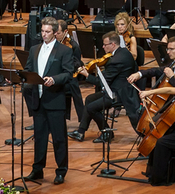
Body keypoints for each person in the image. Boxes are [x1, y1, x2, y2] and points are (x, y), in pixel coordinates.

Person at [23, 17, 72, 185]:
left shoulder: (64, 51)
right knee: (40, 137)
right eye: (42, 31)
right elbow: (29, 69)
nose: (44, 35)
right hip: (38, 99)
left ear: (55, 33)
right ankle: (37, 170)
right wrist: (20, 77)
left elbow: (68, 73)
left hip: (55, 99)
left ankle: (61, 171)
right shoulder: (34, 49)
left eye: (47, 32)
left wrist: (54, 79)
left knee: (59, 138)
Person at [68, 31, 141, 143]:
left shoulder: (116, 60)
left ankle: (107, 132)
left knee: (91, 107)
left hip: (118, 94)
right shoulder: (124, 52)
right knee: (89, 99)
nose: (102, 46)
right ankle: (81, 131)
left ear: (113, 45)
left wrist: (87, 75)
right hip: (119, 89)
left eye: (105, 44)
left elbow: (102, 83)